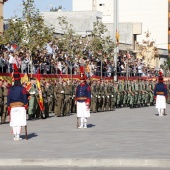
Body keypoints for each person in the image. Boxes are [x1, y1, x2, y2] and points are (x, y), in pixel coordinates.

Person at [7, 64, 28, 141]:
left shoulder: (10, 89)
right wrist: (26, 104)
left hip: (13, 106)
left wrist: (8, 105)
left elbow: (8, 98)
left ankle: (15, 135)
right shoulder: (22, 88)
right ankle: (18, 135)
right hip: (21, 106)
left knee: (14, 121)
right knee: (19, 121)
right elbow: (25, 98)